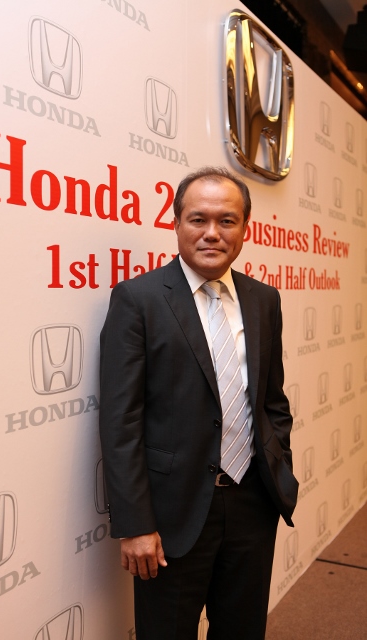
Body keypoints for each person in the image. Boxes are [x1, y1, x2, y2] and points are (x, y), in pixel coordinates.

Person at [99, 166, 298, 640]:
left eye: (227, 220)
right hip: (172, 514)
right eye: (198, 219)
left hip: (253, 502)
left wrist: (278, 467)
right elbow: (121, 421)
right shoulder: (138, 299)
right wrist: (135, 524)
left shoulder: (264, 300)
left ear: (245, 228)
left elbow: (272, 400)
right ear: (176, 224)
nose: (212, 233)